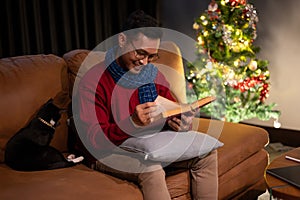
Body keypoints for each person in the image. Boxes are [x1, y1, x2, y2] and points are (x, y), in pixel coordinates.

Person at [73, 10, 218, 200]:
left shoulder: (152, 75)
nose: (144, 62)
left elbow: (170, 108)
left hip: (147, 142)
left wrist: (180, 123)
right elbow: (92, 139)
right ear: (122, 40)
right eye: (140, 53)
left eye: (151, 56)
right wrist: (131, 123)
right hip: (104, 151)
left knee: (206, 153)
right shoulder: (94, 80)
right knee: (151, 169)